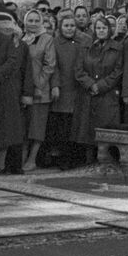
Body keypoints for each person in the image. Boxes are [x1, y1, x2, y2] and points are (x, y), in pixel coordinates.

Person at [0, 7, 26, 173]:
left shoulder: (7, 40)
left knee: (4, 130)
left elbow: (12, 62)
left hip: (3, 88)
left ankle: (0, 165)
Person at [19, 8, 57, 172]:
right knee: (23, 127)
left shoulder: (47, 39)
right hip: (21, 89)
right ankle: (20, 158)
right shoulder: (20, 38)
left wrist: (38, 85)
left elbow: (50, 65)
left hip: (40, 90)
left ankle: (32, 159)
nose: (33, 24)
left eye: (36, 21)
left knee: (36, 128)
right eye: (30, 20)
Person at [76, 15, 123, 149]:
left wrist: (100, 86)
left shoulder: (117, 48)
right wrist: (91, 84)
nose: (101, 31)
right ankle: (88, 158)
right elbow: (79, 70)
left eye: (104, 28)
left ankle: (106, 157)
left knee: (106, 129)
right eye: (98, 28)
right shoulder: (86, 46)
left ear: (109, 29)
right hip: (88, 92)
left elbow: (117, 71)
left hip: (107, 93)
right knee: (88, 129)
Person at [47, 12, 86, 168]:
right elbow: (53, 66)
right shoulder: (55, 43)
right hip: (62, 89)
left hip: (77, 89)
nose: (69, 29)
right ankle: (60, 158)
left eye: (72, 26)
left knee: (73, 125)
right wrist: (55, 85)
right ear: (60, 27)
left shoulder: (80, 44)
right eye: (66, 26)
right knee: (61, 126)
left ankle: (73, 158)